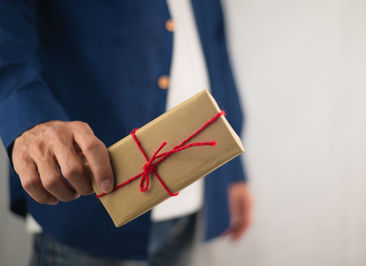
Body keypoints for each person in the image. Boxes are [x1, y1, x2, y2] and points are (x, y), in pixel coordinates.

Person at [0, 0, 252, 265]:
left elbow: (216, 48)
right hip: (92, 204)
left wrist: (233, 171)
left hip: (195, 196)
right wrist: (31, 121)